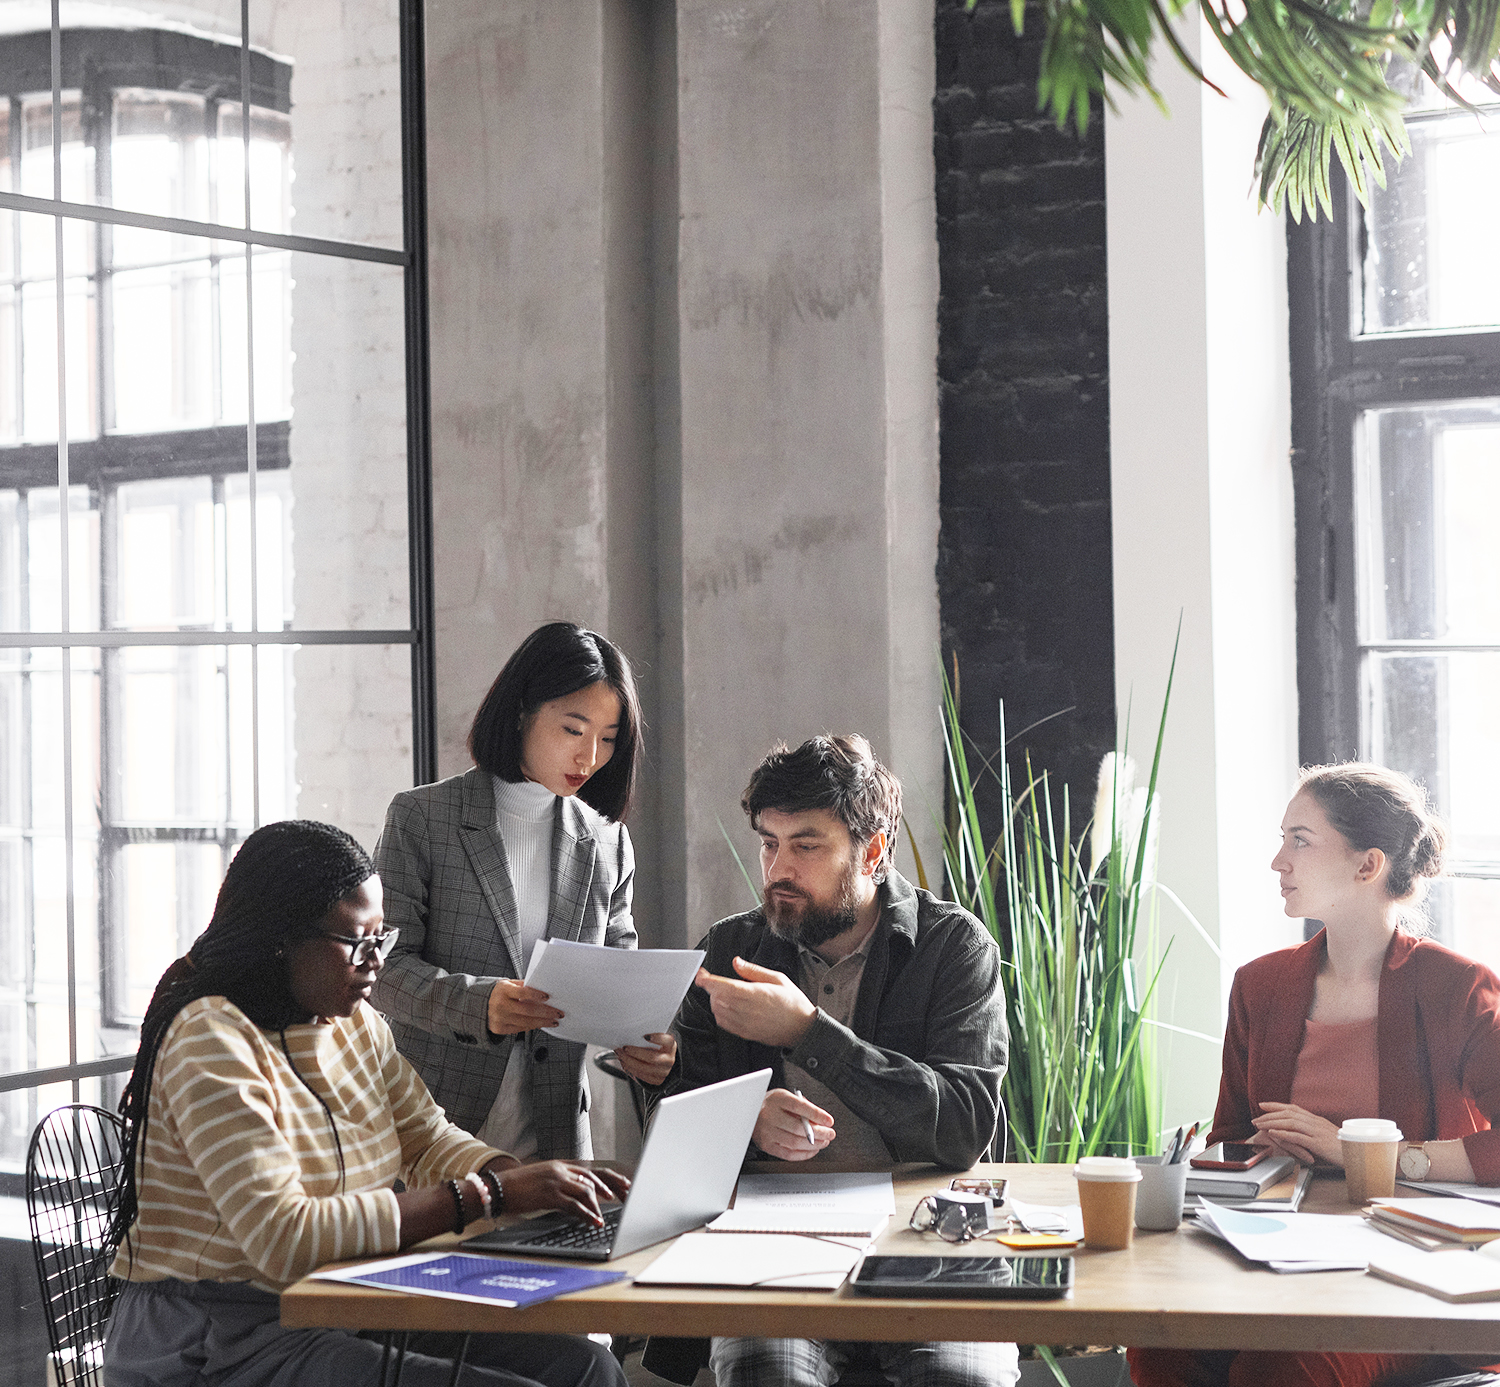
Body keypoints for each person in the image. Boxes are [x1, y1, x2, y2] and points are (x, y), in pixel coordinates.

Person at [103, 819, 630, 1387]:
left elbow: (426, 1136)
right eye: (357, 941)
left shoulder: (353, 1024)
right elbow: (285, 1238)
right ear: (282, 938)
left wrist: (525, 1179)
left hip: (342, 1299)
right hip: (220, 1335)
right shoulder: (211, 1037)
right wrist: (488, 1195)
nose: (374, 960)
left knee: (584, 1366)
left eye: (382, 939)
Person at [647, 734, 1018, 1387]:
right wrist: (744, 1119)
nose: (777, 869)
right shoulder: (728, 950)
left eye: (806, 845)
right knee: (766, 1375)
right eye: (769, 842)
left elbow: (963, 1126)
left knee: (963, 1380)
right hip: (774, 1248)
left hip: (929, 1239)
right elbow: (676, 1140)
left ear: (872, 851)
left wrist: (809, 1031)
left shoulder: (953, 947)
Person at [1128, 763, 1500, 1387]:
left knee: (1278, 1372)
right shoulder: (1261, 985)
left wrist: (1359, 1151)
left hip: (1409, 1277)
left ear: (1367, 865)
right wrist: (1227, 1159)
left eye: (1299, 840)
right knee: (1157, 1346)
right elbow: (1232, 1135)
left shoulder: (1459, 988)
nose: (1278, 860)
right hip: (1270, 1255)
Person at [372, 622, 674, 1159]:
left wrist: (644, 1045)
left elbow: (618, 977)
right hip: (430, 1133)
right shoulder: (422, 818)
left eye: (608, 738)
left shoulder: (608, 842)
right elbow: (382, 972)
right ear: (520, 714)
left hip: (554, 1142)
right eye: (573, 730)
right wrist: (478, 1003)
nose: (590, 758)